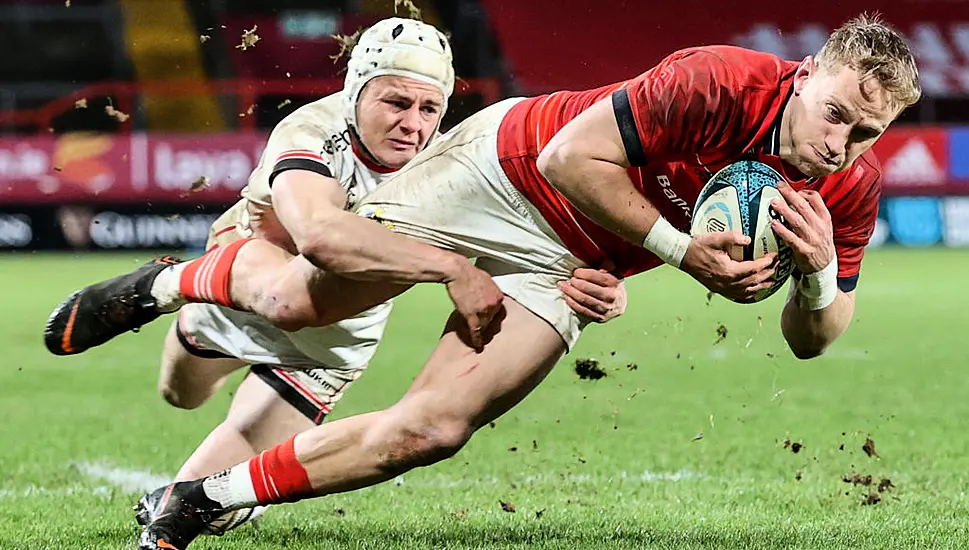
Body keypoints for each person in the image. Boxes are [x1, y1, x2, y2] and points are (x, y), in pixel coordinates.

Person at [51, 14, 919, 549]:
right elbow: (567, 156)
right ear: (804, 78)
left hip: (570, 263)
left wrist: (810, 282)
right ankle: (176, 283)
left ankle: (196, 501)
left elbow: (817, 338)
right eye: (834, 112)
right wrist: (675, 250)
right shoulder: (718, 80)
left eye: (866, 130)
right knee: (307, 295)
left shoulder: (846, 185)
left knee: (432, 430)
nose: (840, 142)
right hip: (504, 172)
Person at [45, 17, 629, 537]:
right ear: (355, 91)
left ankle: (202, 477)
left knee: (211, 504)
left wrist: (589, 277)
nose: (413, 125)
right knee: (184, 390)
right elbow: (319, 238)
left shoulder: (454, 157)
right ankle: (165, 284)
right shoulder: (313, 131)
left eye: (430, 109)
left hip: (338, 335)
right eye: (396, 103)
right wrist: (451, 267)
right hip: (249, 285)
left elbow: (532, 228)